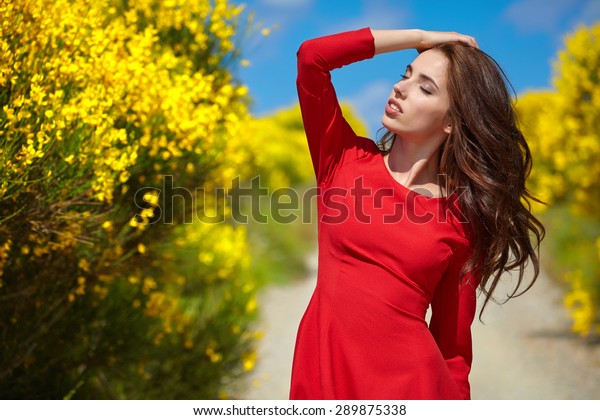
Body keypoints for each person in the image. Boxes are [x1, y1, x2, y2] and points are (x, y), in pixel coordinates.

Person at [289, 27, 545, 400]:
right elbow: (312, 57)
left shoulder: (460, 222)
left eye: (425, 88)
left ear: (451, 122)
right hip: (322, 379)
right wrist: (420, 38)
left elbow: (454, 349)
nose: (401, 89)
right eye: (405, 75)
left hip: (412, 389)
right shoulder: (342, 159)